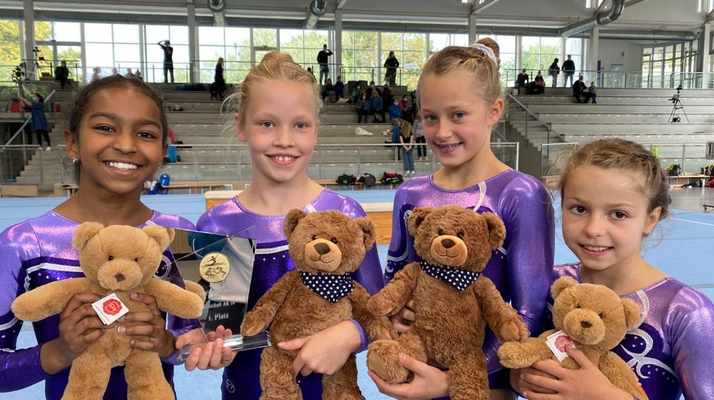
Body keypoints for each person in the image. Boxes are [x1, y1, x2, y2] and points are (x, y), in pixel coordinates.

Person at [176, 51, 385, 399]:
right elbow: (212, 327)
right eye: (267, 124)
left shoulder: (344, 213)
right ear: (241, 126)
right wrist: (207, 345)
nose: (284, 140)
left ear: (316, 130)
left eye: (300, 125)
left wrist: (351, 334)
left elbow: (379, 311)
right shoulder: (217, 223)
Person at [371, 38, 555, 400]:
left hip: (484, 386)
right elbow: (393, 285)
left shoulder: (520, 194)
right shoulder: (411, 195)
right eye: (430, 117)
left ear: (494, 110)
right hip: (415, 378)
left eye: (458, 115)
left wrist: (453, 380)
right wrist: (394, 319)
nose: (442, 132)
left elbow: (528, 316)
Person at [0, 76, 201, 399]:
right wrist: (61, 351)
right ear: (73, 143)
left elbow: (191, 343)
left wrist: (163, 342)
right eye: (106, 128)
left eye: (145, 134)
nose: (126, 144)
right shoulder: (23, 242)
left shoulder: (175, 235)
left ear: (163, 150)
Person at [510, 138, 714, 400]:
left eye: (618, 214)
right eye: (579, 209)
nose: (594, 229)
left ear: (650, 219)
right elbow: (513, 365)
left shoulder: (685, 311)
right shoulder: (547, 283)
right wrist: (519, 378)